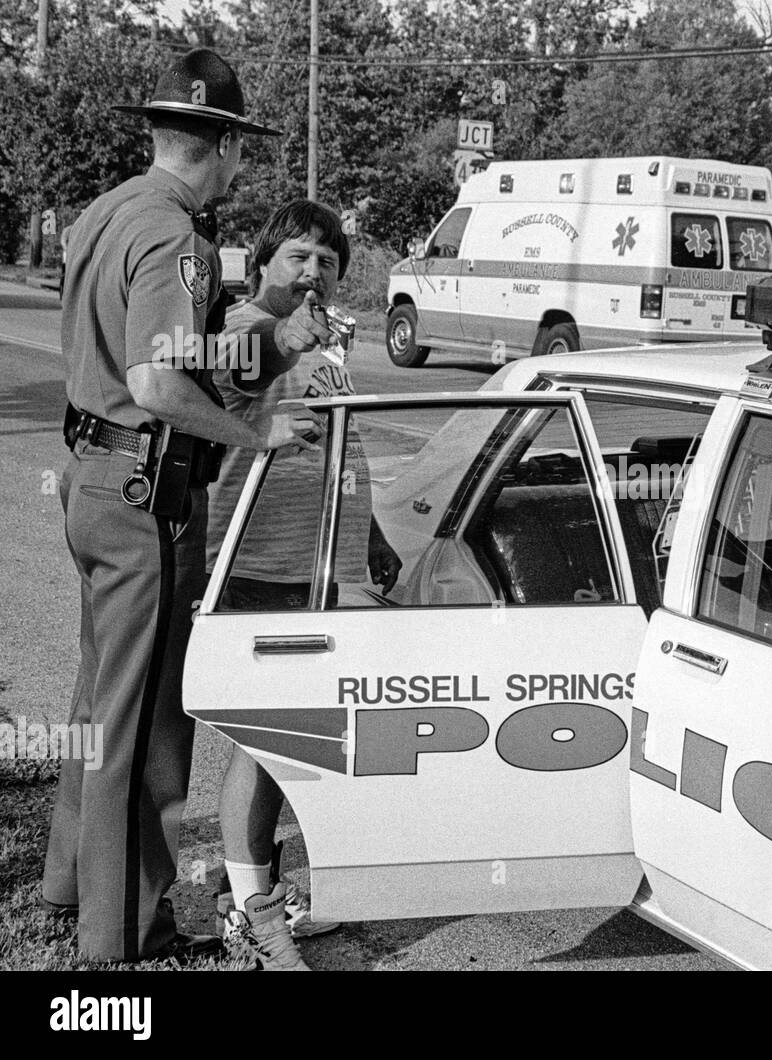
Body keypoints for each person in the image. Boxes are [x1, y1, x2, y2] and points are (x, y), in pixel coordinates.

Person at [42, 48, 320, 964]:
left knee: (96, 698)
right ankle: (122, 933)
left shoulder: (107, 211)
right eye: (241, 147)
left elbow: (150, 356)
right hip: (144, 493)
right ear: (225, 145)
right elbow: (162, 384)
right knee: (146, 724)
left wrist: (270, 338)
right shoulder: (179, 238)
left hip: (94, 477)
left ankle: (71, 887)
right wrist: (260, 438)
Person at [204, 200, 402, 970]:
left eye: (326, 261)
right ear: (261, 264)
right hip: (255, 565)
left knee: (292, 751)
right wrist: (290, 336)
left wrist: (374, 535)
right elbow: (234, 375)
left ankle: (260, 897)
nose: (313, 271)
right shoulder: (248, 328)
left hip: (321, 570)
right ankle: (251, 916)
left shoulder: (322, 342)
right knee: (261, 747)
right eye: (297, 256)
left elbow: (341, 450)